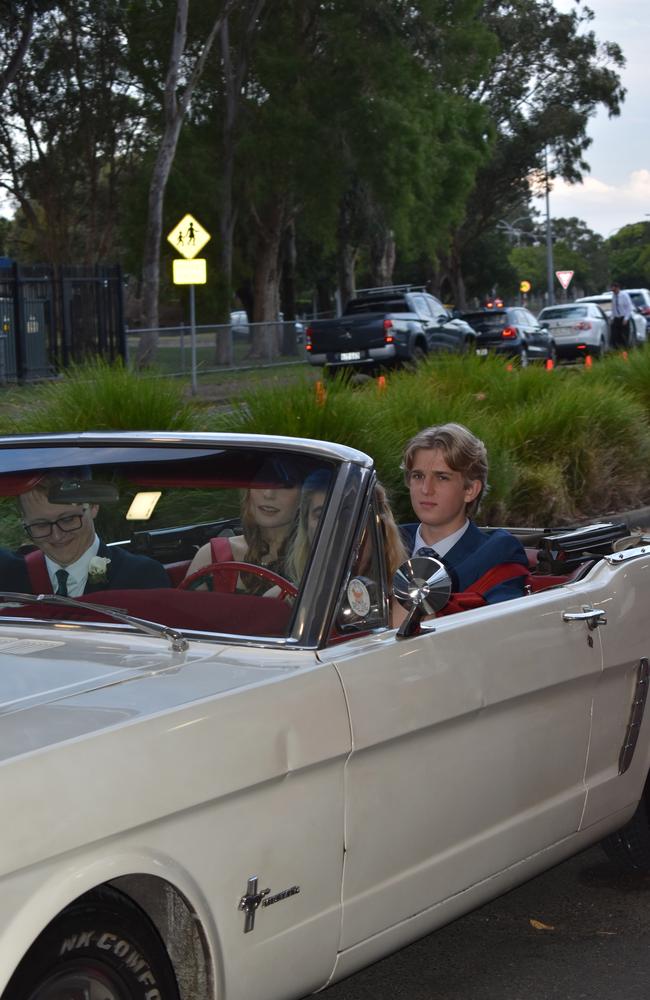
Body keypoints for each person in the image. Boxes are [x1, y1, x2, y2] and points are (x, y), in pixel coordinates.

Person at [400, 423, 529, 604]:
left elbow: (499, 624)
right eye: (418, 476)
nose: (426, 489)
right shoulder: (386, 542)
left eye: (442, 477)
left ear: (470, 490)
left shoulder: (496, 552)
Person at [18, 474, 170, 596]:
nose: (57, 536)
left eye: (68, 519)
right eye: (41, 525)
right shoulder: (9, 575)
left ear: (93, 507)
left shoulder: (141, 577)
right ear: (24, 522)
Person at [184, 480, 301, 594]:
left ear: (305, 494)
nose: (268, 494)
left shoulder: (316, 562)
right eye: (260, 481)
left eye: (286, 485)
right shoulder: (213, 556)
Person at [610, 282, 633, 350]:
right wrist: (612, 317)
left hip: (624, 318)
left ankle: (625, 352)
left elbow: (629, 307)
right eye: (612, 291)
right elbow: (613, 308)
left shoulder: (624, 295)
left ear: (618, 288)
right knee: (615, 336)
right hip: (616, 318)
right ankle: (617, 351)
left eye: (614, 290)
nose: (613, 292)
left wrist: (626, 318)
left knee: (624, 336)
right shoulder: (614, 296)